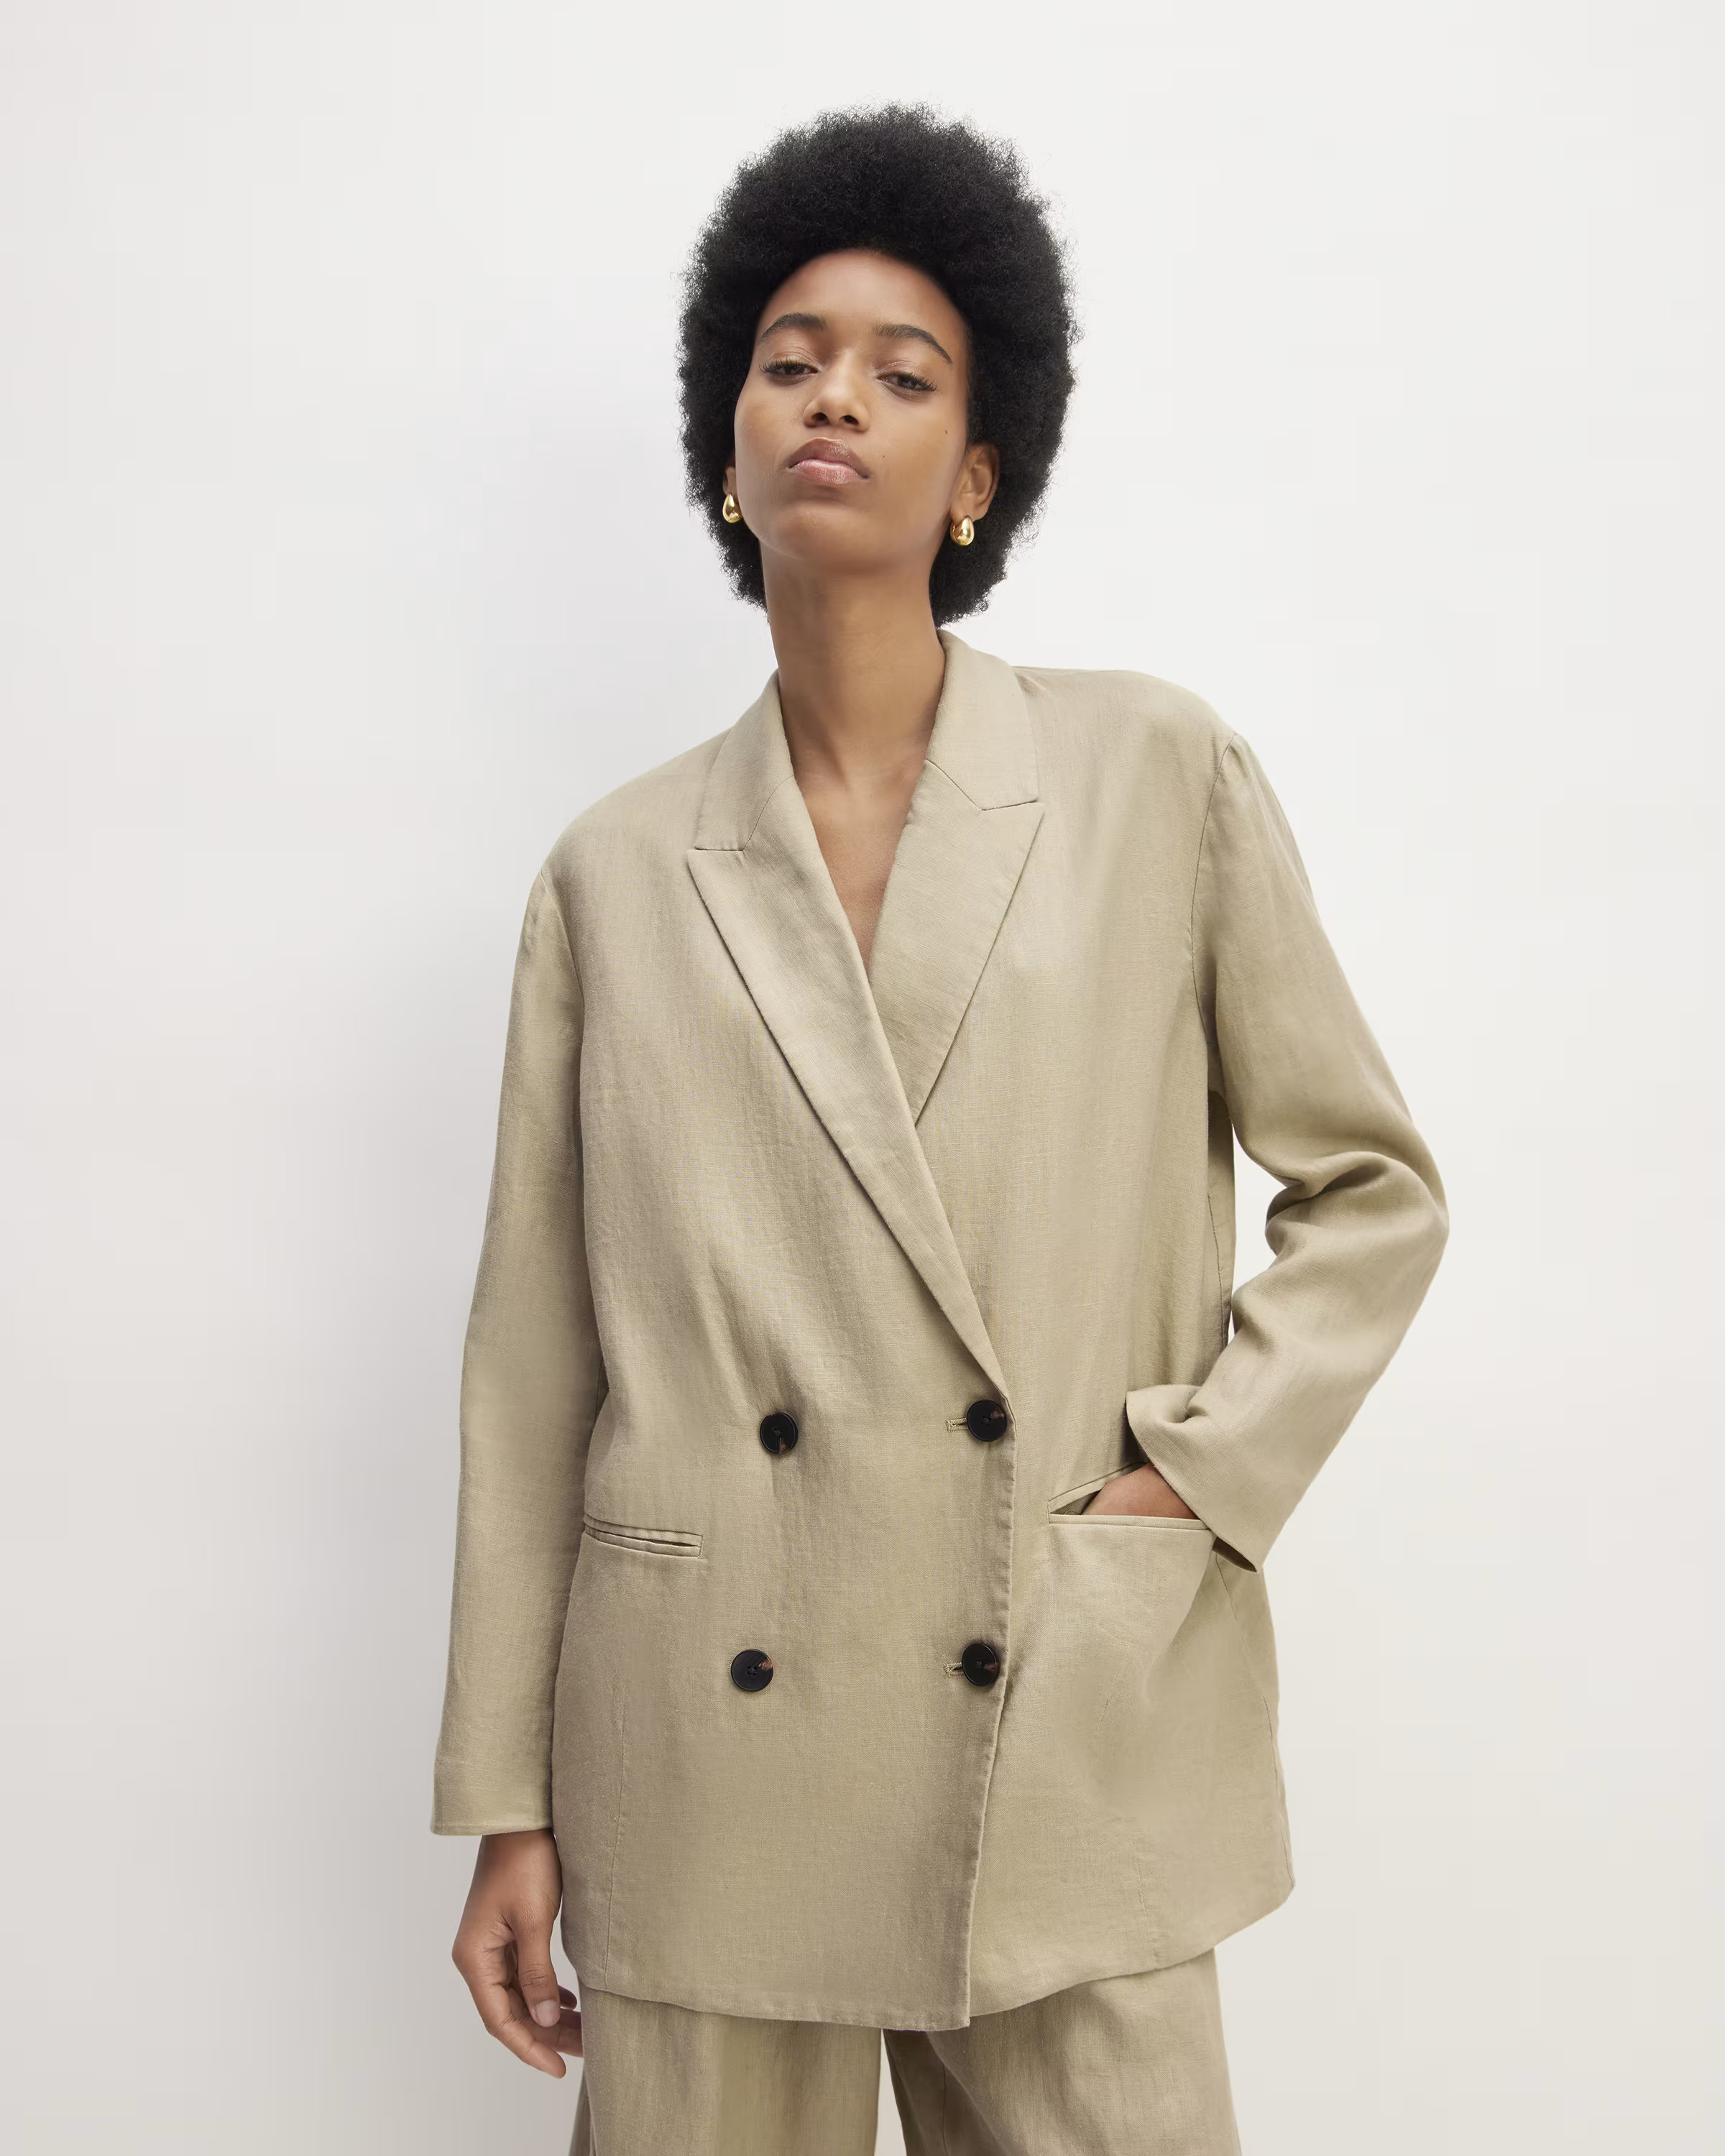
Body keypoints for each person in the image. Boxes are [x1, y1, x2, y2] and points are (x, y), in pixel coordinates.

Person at [433, 104, 1449, 2156]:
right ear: (729, 449)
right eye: (790, 362)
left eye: (904, 375)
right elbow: (534, 1365)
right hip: (708, 1751)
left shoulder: (1155, 772)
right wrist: (508, 1801)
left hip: (1062, 1699)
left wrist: (1192, 1481)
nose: (836, 399)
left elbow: (1372, 1190)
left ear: (979, 473)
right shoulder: (615, 872)